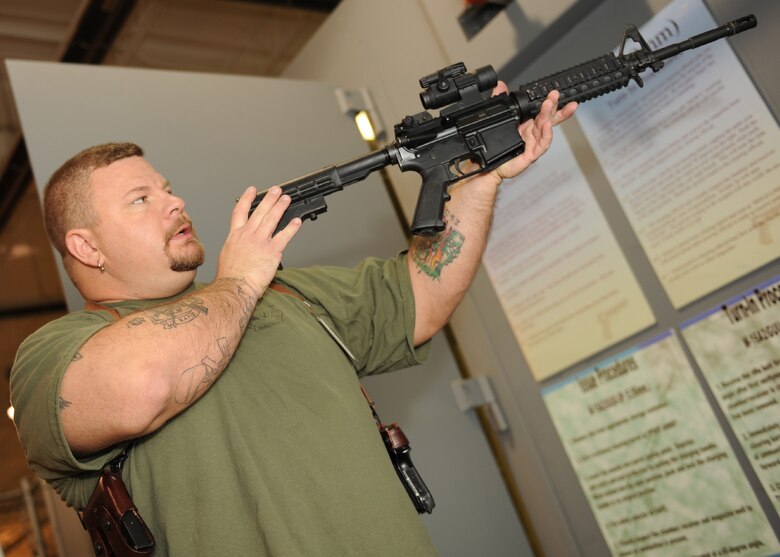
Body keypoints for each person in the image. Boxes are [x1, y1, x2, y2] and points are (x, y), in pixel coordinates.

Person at [11, 87, 576, 556]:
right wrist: (238, 282)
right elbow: (143, 386)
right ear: (86, 247)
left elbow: (422, 298)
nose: (175, 202)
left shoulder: (284, 293)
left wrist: (477, 184)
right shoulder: (53, 355)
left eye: (167, 187)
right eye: (141, 199)